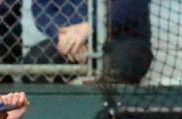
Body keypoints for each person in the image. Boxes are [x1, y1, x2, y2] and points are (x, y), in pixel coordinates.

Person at [23, 0, 153, 84]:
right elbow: (43, 10)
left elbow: (130, 10)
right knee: (36, 62)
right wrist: (68, 36)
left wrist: (92, 27)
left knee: (123, 63)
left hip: (121, 40)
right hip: (72, 40)